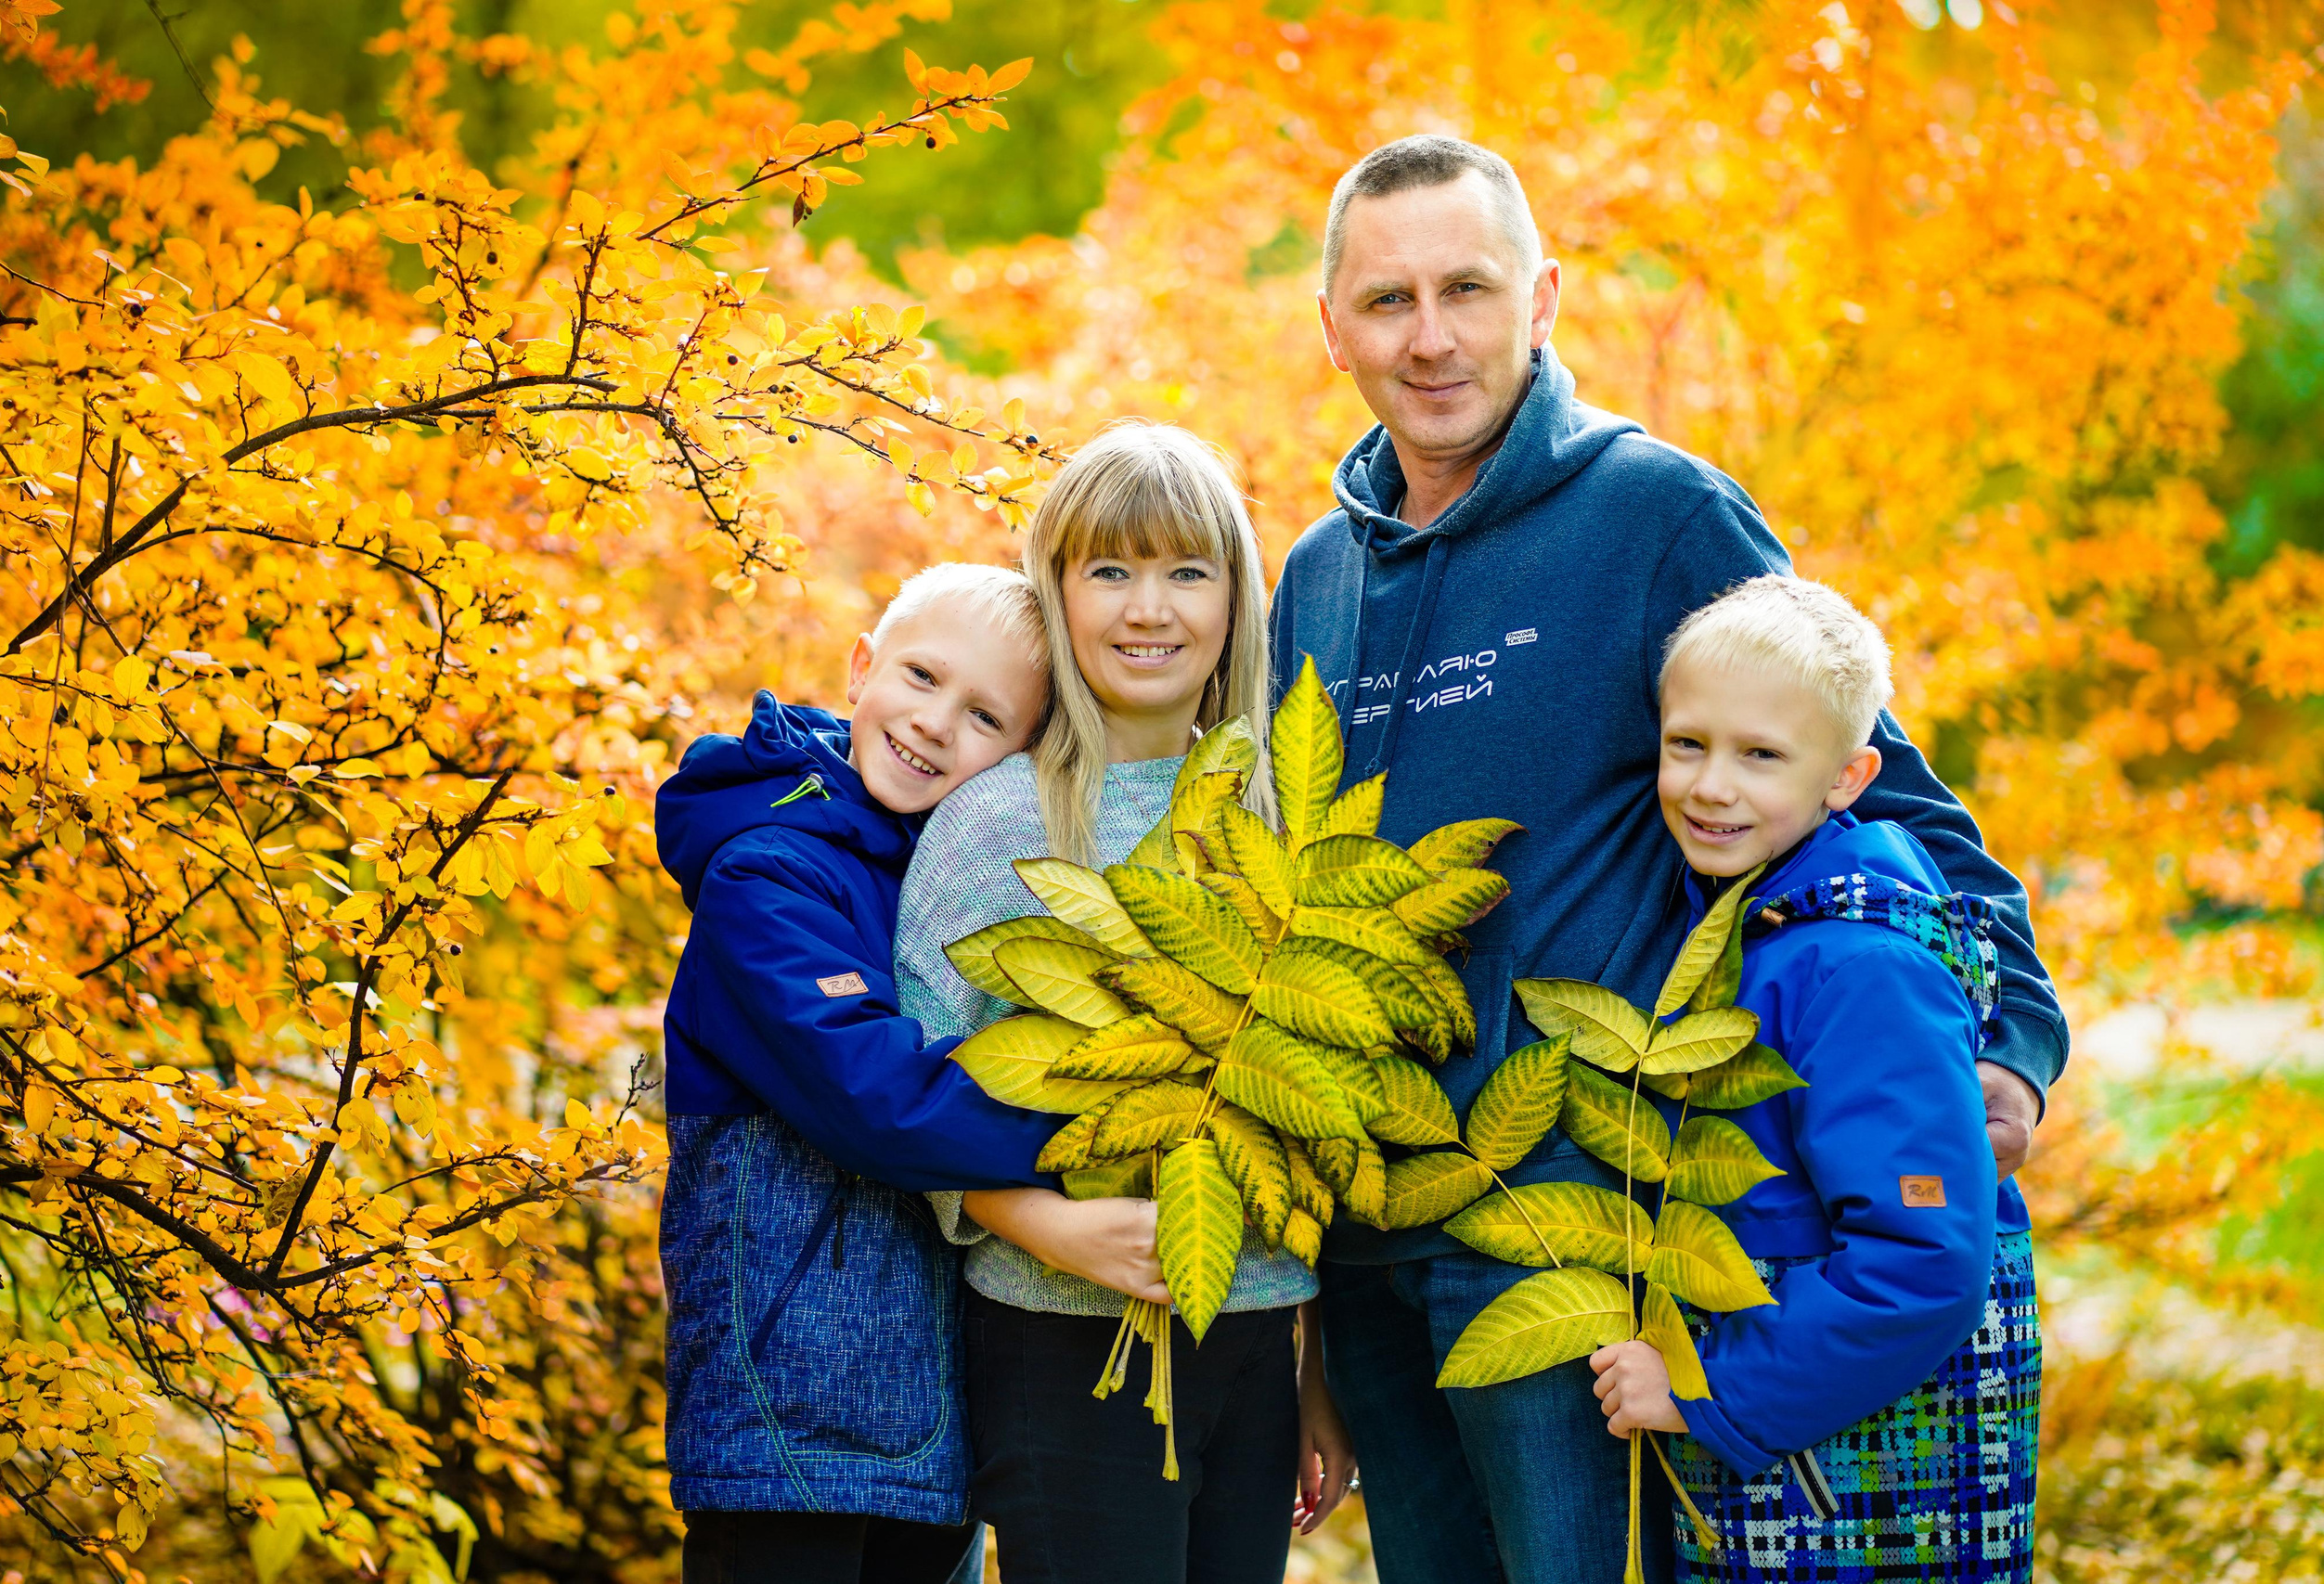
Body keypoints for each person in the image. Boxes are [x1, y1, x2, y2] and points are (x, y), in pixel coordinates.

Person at [1267, 135, 2066, 1584]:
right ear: (1331, 328)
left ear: (1546, 298)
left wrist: (2012, 1030)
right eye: (1387, 301)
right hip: (1374, 1232)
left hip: (1574, 1226)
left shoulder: (1657, 514)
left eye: (1469, 287)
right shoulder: (1315, 576)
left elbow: (1872, 770)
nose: (1431, 336)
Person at [893, 423, 1357, 1584]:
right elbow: (910, 1091)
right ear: (1057, 592)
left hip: (1251, 1342)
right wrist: (1045, 1224)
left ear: (1236, 600)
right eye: (1110, 570)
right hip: (1057, 1339)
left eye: (1185, 572)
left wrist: (1315, 1372)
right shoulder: (996, 825)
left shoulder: (1283, 817)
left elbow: (1321, 1115)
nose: (1148, 608)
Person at [655, 563, 1164, 1584]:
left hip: (930, 1416)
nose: (935, 724)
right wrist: (1101, 1133)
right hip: (786, 1411)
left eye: (983, 717)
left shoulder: (941, 874)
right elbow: (873, 1095)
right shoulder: (769, 873)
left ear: (1020, 758)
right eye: (922, 678)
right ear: (860, 668)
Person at [1592, 573, 2038, 1582]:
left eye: (1761, 757)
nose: (1712, 786)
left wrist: (1703, 1392)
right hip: (1797, 1460)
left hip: (1862, 1480)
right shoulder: (1760, 922)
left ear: (1846, 777)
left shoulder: (1859, 962)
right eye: (1687, 745)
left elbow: (1921, 1259)